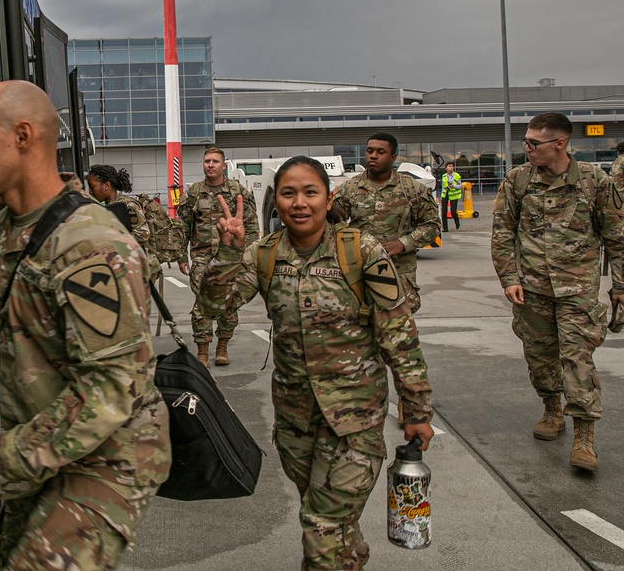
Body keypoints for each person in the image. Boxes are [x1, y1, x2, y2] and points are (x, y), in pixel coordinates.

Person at [0, 80, 170, 570]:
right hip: (40, 451)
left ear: (22, 136)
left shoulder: (91, 245)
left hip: (110, 457)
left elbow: (110, 389)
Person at [200, 155, 434, 569]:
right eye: (288, 193)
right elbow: (215, 306)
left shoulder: (361, 250)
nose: (299, 203)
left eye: (310, 192)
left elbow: (399, 333)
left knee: (322, 524)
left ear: (329, 199)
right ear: (277, 203)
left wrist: (415, 409)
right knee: (335, 526)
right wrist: (227, 253)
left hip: (355, 419)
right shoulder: (263, 255)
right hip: (295, 421)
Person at [492, 113, 624, 472]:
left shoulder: (594, 181)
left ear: (560, 143)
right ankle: (551, 409)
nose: (526, 148)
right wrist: (509, 277)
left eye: (533, 143)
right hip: (532, 291)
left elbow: (618, 238)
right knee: (540, 361)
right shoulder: (518, 180)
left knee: (578, 361)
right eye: (525, 141)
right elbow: (502, 233)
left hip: (578, 291)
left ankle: (584, 438)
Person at [332, 132, 440, 314]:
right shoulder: (350, 188)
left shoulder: (412, 189)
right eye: (369, 151)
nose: (373, 155)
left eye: (380, 152)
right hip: (359, 272)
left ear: (393, 157)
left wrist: (403, 244)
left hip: (398, 272)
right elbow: (331, 221)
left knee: (397, 328)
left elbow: (432, 225)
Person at [176, 146, 259, 366]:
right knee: (202, 304)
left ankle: (222, 346)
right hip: (203, 259)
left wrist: (248, 256)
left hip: (232, 258)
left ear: (224, 165)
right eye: (206, 161)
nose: (210, 165)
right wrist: (181, 256)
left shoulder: (237, 192)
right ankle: (202, 350)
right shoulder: (194, 193)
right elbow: (183, 225)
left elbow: (251, 225)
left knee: (228, 303)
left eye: (215, 161)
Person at [86, 164, 162, 280]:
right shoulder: (109, 206)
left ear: (107, 185)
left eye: (92, 186)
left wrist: (114, 243)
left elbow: (143, 234)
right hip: (129, 265)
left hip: (142, 266)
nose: (91, 192)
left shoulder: (128, 205)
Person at [440, 161, 463, 231]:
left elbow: (460, 185)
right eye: (449, 166)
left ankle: (457, 221)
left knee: (453, 211)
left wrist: (454, 186)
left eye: (452, 166)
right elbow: (443, 186)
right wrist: (441, 196)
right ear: (446, 168)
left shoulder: (456, 175)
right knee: (444, 212)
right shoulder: (443, 176)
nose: (451, 168)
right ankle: (445, 228)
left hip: (453, 195)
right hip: (445, 194)